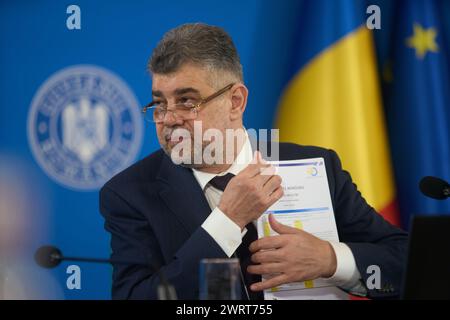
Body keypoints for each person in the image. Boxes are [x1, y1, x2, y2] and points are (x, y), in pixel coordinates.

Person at [99, 23, 408, 300]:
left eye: (187, 101)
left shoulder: (317, 165)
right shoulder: (131, 193)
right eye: (159, 103)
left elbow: (404, 259)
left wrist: (330, 259)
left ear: (236, 101)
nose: (168, 119)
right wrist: (227, 221)